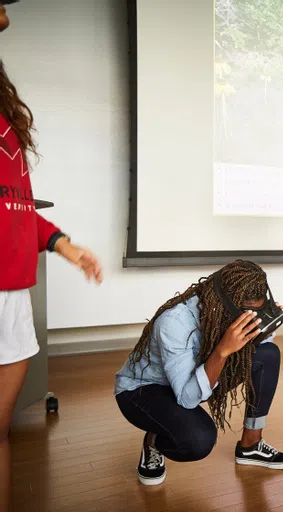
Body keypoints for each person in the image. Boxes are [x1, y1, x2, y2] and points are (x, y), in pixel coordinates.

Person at [0, 4, 103, 510]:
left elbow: (15, 206)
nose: (5, 14)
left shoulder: (5, 118)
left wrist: (65, 245)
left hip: (12, 292)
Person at [114, 260, 283, 486]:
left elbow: (251, 348)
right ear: (226, 306)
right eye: (247, 314)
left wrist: (261, 331)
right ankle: (154, 440)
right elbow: (188, 398)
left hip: (194, 379)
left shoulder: (224, 315)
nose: (249, 319)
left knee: (267, 354)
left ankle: (251, 445)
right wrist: (221, 351)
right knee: (197, 440)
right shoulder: (174, 322)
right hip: (144, 390)